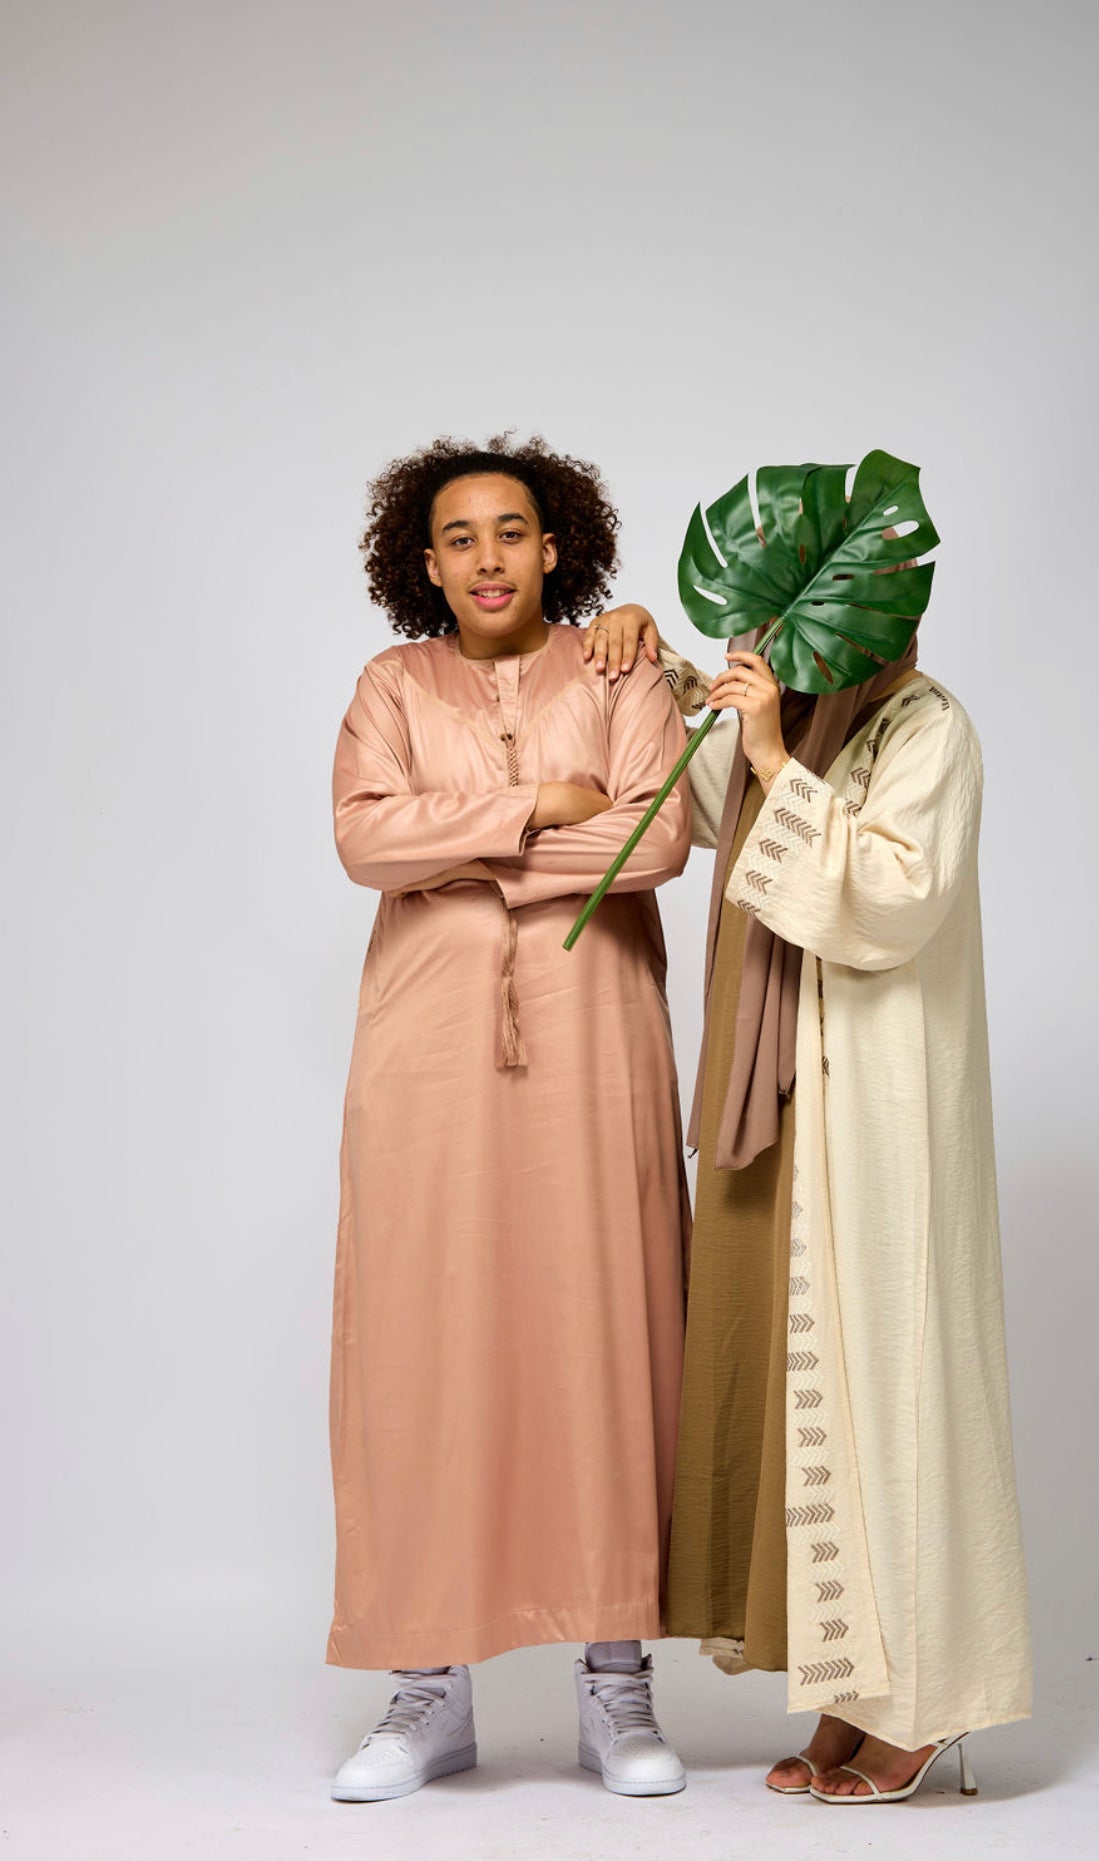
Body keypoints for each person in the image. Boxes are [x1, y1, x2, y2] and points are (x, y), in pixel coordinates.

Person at [585, 597, 1032, 1804]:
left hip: (881, 1111)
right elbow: (703, 779)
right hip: (789, 1100)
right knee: (812, 1378)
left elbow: (892, 896)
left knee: (897, 1374)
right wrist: (655, 656)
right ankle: (856, 1682)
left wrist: (779, 758)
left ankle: (931, 1693)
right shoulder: (812, 716)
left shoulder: (929, 727)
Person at [327, 437, 692, 1803]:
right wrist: (538, 805)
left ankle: (617, 1683)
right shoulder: (391, 685)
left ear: (555, 546)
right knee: (425, 1339)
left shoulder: (621, 669)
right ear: (425, 564)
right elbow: (364, 841)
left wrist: (457, 851)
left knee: (604, 1327)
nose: (488, 557)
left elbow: (656, 839)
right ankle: (428, 1690)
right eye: (459, 537)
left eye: (512, 530)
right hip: (425, 1055)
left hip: (596, 1044)